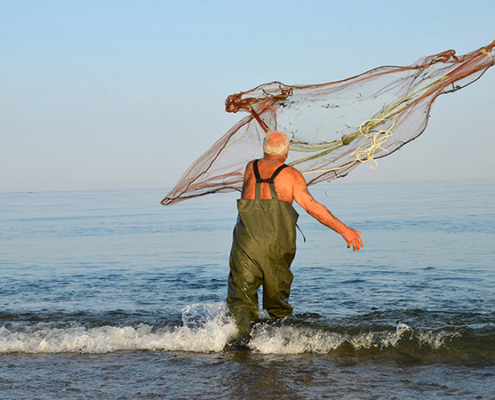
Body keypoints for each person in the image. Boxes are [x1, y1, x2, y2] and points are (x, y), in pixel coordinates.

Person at [226, 131, 363, 346]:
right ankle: (280, 347)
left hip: (246, 243)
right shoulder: (292, 175)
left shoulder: (250, 168)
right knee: (277, 302)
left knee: (241, 300)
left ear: (264, 149)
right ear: (287, 153)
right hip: (276, 247)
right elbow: (312, 207)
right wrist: (344, 230)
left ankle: (241, 341)